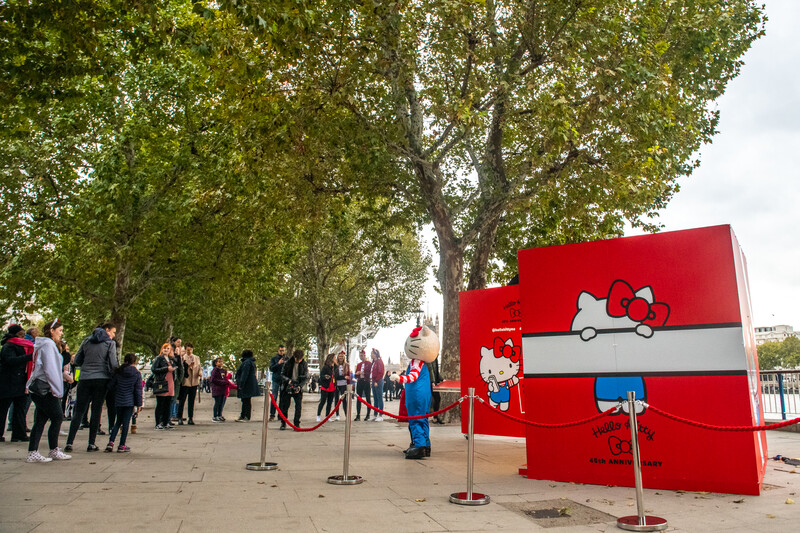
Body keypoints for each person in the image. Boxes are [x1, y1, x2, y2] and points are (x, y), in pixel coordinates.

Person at [65, 322, 118, 452]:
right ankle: (91, 443)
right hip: (101, 378)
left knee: (79, 410)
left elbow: (77, 360)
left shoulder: (86, 341)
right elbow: (113, 363)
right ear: (107, 331)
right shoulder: (110, 343)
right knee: (96, 410)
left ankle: (70, 442)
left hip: (84, 378)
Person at [26, 318, 71, 462]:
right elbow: (50, 369)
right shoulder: (48, 345)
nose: (61, 333)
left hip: (41, 388)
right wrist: (57, 390)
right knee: (57, 417)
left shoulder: (46, 345)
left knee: (40, 420)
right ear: (52, 331)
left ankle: (34, 451)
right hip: (45, 389)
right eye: (60, 330)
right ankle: (53, 450)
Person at [0, 324, 34, 443]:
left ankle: (19, 434)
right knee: (3, 409)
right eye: (21, 334)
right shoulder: (9, 346)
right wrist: (28, 357)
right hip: (8, 382)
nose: (23, 337)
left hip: (20, 382)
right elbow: (10, 361)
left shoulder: (23, 346)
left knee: (20, 409)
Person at [105, 353, 143, 452]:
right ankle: (122, 445)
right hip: (129, 401)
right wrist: (139, 404)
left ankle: (111, 442)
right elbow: (138, 390)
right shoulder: (136, 373)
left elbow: (110, 386)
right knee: (126, 423)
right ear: (134, 362)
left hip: (118, 399)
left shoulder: (118, 372)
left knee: (118, 422)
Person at [279, 349, 309, 430]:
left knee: (298, 406)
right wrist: (288, 380)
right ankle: (283, 422)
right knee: (285, 406)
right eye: (297, 359)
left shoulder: (304, 364)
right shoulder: (288, 363)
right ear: (294, 357)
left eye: (300, 359)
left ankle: (296, 423)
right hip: (287, 386)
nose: (299, 361)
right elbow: (282, 374)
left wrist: (300, 386)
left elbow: (306, 377)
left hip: (298, 386)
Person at [151, 343, 175, 430]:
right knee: (160, 404)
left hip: (170, 382)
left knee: (168, 404)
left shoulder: (171, 359)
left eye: (168, 349)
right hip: (162, 382)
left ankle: (166, 422)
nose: (166, 350)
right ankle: (158, 422)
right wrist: (166, 369)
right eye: (164, 348)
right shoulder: (159, 358)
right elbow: (154, 369)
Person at [178, 343, 201, 425]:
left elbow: (199, 367)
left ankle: (190, 417)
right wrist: (188, 366)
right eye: (187, 350)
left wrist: (200, 373)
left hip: (194, 381)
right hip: (185, 382)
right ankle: (179, 417)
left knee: (191, 401)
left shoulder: (197, 358)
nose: (189, 351)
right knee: (182, 400)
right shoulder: (182, 358)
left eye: (190, 350)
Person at [234, 350, 258, 422]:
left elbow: (244, 374)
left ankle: (246, 416)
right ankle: (243, 415)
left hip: (246, 384)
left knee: (246, 400)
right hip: (249, 384)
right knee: (245, 400)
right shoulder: (250, 362)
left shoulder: (246, 363)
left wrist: (241, 383)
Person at [267, 345, 286, 421]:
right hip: (276, 379)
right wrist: (278, 363)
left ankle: (280, 415)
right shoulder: (274, 359)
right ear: (278, 351)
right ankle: (272, 414)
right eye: (281, 350)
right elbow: (271, 368)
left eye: (283, 350)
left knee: (282, 398)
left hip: (284, 380)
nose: (282, 352)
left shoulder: (287, 359)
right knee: (274, 397)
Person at [316, 353, 336, 422]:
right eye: (334, 357)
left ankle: (327, 416)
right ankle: (318, 415)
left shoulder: (335, 367)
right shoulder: (326, 367)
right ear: (331, 359)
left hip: (332, 386)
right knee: (323, 401)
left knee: (330, 402)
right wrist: (325, 376)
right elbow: (321, 376)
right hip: (326, 386)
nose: (335, 359)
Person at [354, 349, 372, 421]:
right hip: (360, 381)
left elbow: (370, 372)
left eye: (362, 355)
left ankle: (368, 414)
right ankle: (358, 414)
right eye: (360, 356)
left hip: (366, 381)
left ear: (365, 355)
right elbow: (355, 374)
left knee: (368, 398)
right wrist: (357, 373)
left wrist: (363, 373)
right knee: (359, 398)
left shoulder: (369, 364)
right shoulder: (359, 365)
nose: (361, 357)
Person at [333, 351, 351, 421]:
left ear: (344, 358)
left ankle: (346, 415)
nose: (341, 358)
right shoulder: (335, 365)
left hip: (343, 383)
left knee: (344, 400)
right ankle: (337, 414)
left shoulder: (346, 365)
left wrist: (347, 378)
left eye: (342, 356)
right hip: (337, 383)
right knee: (336, 400)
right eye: (340, 356)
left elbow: (349, 375)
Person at [210, 358, 227, 422]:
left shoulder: (223, 370)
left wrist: (225, 381)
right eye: (219, 362)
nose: (221, 363)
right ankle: (215, 416)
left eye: (221, 361)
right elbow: (213, 380)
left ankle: (219, 415)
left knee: (221, 403)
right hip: (217, 389)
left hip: (222, 389)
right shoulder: (215, 371)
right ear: (216, 363)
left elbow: (224, 378)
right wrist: (222, 382)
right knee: (217, 402)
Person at [370, 348, 385, 421]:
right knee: (375, 398)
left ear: (375, 354)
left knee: (379, 398)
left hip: (378, 381)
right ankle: (375, 414)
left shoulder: (379, 362)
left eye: (372, 353)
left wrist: (376, 381)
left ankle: (380, 415)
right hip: (373, 380)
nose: (371, 355)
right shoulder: (374, 362)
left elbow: (381, 372)